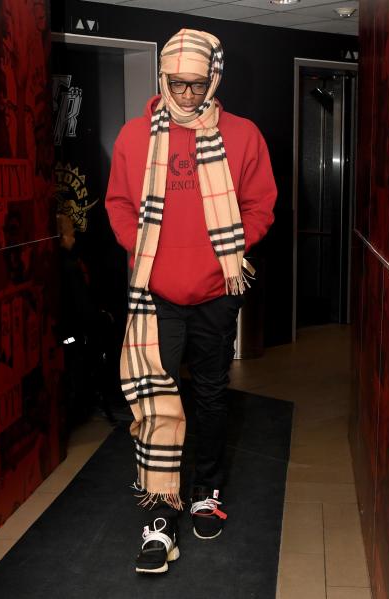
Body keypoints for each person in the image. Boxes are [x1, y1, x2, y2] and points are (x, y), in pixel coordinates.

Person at [105, 29, 276, 575]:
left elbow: (260, 206)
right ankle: (159, 517)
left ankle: (205, 491)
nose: (185, 93)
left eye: (196, 83)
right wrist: (147, 251)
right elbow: (118, 204)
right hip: (154, 290)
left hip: (216, 292)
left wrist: (220, 257)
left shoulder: (244, 136)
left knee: (209, 397)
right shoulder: (135, 137)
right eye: (176, 82)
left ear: (213, 79)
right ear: (162, 77)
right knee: (155, 400)